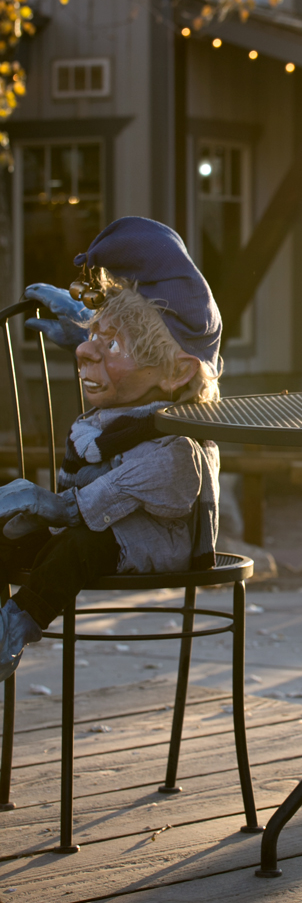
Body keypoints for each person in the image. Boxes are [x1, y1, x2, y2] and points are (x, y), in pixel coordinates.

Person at [0, 217, 222, 684]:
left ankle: (12, 630)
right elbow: (127, 364)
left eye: (112, 342)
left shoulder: (175, 448)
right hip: (90, 523)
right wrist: (90, 331)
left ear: (178, 373)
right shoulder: (131, 408)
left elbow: (106, 503)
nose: (86, 352)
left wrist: (52, 505)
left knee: (79, 548)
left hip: (150, 539)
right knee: (10, 533)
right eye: (93, 336)